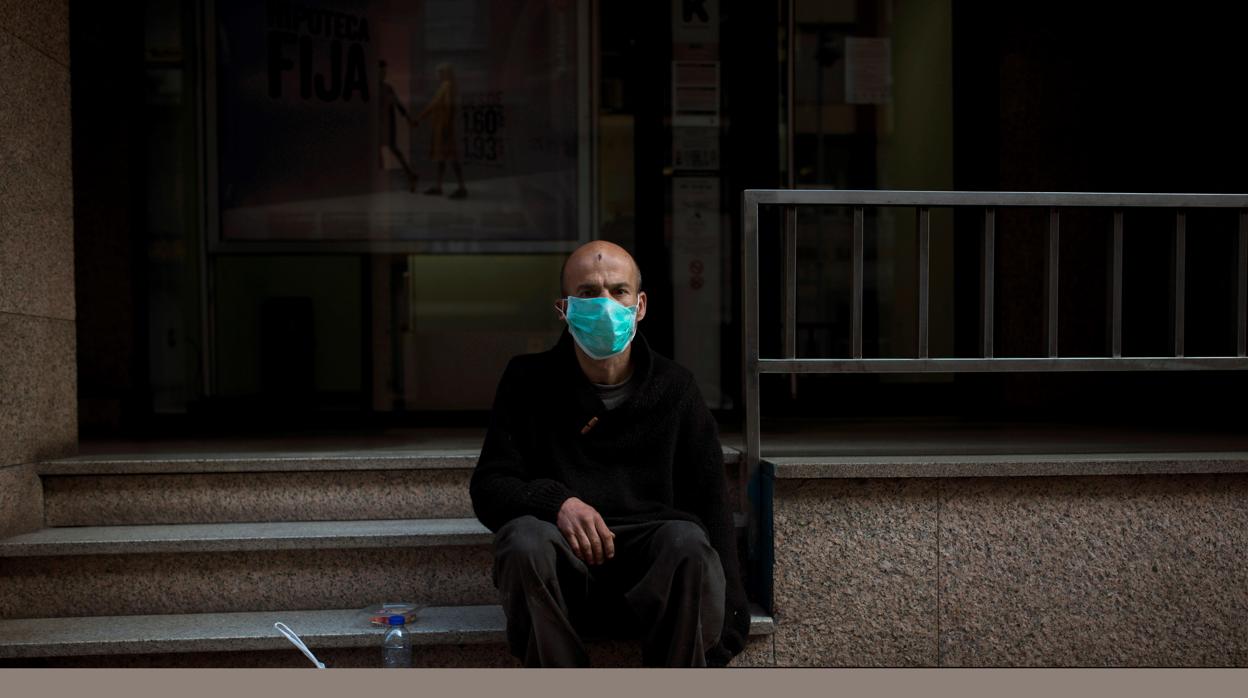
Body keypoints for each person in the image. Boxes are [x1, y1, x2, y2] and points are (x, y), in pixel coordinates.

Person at [470, 241, 749, 667]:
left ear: (639, 306)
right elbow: (489, 487)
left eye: (618, 291)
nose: (604, 305)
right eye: (587, 293)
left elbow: (711, 505)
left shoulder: (676, 388)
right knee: (524, 539)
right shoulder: (528, 381)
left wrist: (731, 617)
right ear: (563, 308)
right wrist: (557, 502)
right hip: (565, 578)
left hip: (657, 579)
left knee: (687, 539)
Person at [413, 63, 467, 199]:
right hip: (443, 127)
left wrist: (446, 127)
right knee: (442, 158)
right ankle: (439, 186)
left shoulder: (447, 86)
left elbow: (447, 107)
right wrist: (420, 118)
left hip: (444, 127)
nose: (436, 75)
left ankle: (461, 187)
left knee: (452, 157)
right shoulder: (446, 86)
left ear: (444, 73)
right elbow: (435, 105)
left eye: (439, 72)